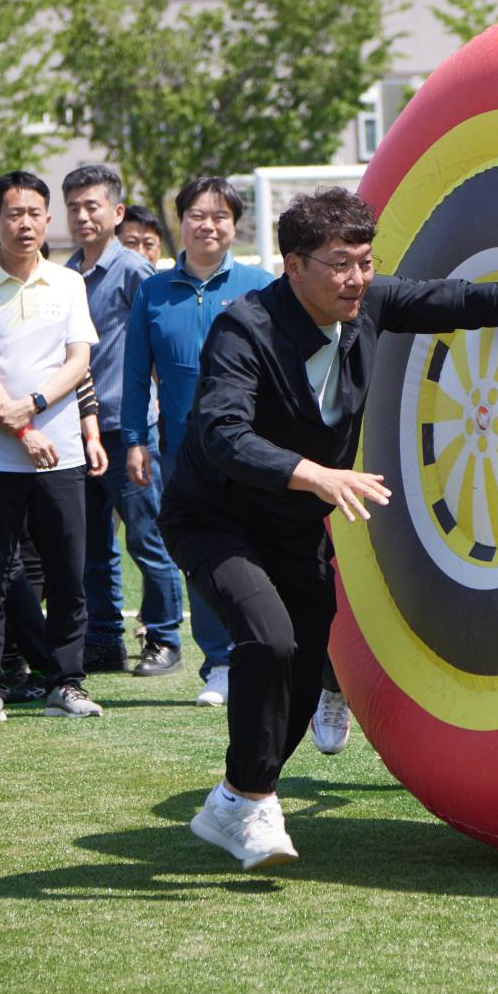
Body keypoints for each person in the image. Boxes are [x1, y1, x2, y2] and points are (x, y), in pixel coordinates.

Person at [160, 187, 498, 869]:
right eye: (340, 265)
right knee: (269, 639)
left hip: (293, 524)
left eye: (365, 263)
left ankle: (237, 795)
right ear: (293, 265)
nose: (357, 279)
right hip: (216, 519)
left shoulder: (367, 305)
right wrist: (317, 475)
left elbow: (458, 301)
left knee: (305, 664)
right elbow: (223, 434)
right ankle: (249, 799)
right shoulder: (243, 329)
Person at [0, 170, 106, 726]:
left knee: (66, 573)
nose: (25, 223)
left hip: (60, 456)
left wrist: (34, 405)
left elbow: (79, 360)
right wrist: (22, 428)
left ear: (47, 219)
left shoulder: (68, 283)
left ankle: (66, 682)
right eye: (14, 213)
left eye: (35, 213)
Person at [122, 177, 276, 709]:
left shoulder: (261, 285)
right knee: (203, 556)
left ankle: (262, 654)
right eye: (197, 215)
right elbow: (135, 374)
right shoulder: (153, 292)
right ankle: (221, 664)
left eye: (220, 216)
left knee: (260, 552)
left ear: (235, 225)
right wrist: (135, 441)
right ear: (180, 221)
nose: (208, 226)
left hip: (254, 445)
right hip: (183, 451)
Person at [61, 164, 185, 677]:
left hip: (129, 430)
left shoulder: (135, 270)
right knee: (91, 544)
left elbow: (160, 346)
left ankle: (165, 637)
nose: (82, 216)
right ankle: (104, 640)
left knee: (146, 538)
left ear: (116, 212)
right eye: (73, 207)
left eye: (92, 206)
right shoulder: (65, 274)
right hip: (76, 431)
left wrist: (149, 421)